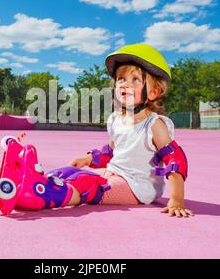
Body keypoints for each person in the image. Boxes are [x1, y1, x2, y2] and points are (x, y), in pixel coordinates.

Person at [64, 43, 193, 217]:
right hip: (115, 173)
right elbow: (110, 151)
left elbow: (175, 160)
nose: (125, 84)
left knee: (87, 186)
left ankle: (42, 196)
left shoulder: (154, 125)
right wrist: (87, 159)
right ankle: (35, 184)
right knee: (69, 174)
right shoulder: (117, 119)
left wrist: (177, 199)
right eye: (121, 79)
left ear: (153, 92)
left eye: (135, 79)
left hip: (137, 186)